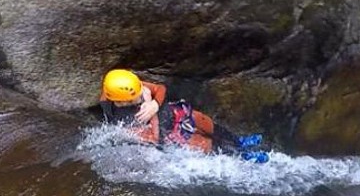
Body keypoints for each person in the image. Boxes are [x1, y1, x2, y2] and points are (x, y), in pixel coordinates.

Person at [99, 69, 268, 162]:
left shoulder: (128, 88)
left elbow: (160, 88)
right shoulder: (121, 118)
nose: (140, 95)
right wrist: (153, 115)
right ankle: (243, 156)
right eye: (134, 98)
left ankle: (239, 142)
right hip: (169, 133)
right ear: (120, 102)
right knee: (205, 144)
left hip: (173, 112)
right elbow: (154, 138)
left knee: (204, 121)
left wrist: (154, 104)